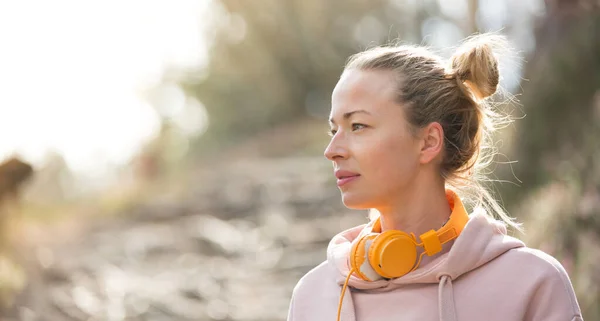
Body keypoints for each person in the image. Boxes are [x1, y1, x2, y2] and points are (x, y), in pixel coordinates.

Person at [286, 34, 583, 321]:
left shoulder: (532, 284)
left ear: (428, 142)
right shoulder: (314, 295)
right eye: (333, 130)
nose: (332, 150)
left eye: (358, 126)